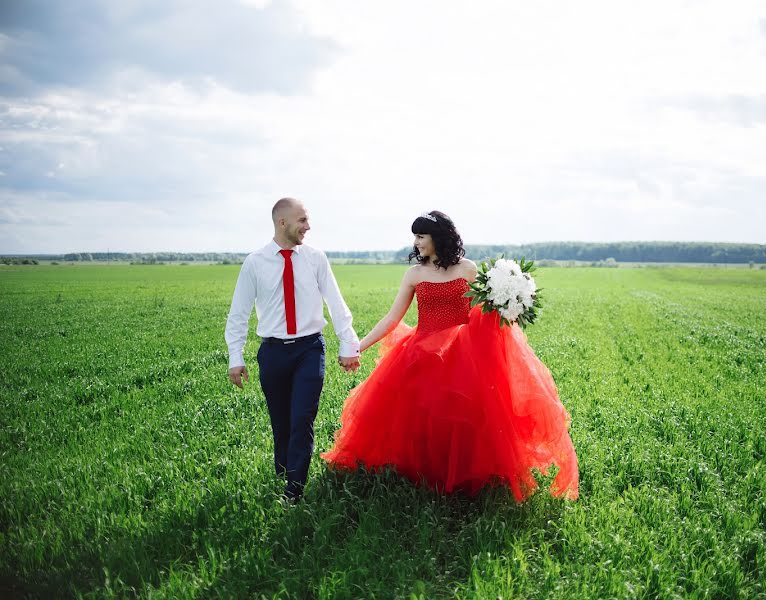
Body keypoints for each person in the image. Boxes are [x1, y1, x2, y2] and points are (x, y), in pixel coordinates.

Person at [321, 211, 578, 501]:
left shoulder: (468, 269)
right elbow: (393, 318)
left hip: (463, 351)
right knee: (422, 415)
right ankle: (424, 475)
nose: (416, 242)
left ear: (438, 237)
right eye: (415, 236)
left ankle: (467, 476)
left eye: (421, 236)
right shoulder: (415, 274)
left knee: (466, 416)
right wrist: (358, 346)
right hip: (422, 351)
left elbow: (488, 307)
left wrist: (511, 302)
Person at [226, 197, 361, 502]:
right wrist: (236, 357)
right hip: (272, 353)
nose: (308, 226)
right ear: (282, 222)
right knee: (281, 421)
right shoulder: (255, 263)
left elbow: (336, 304)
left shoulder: (315, 258)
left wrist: (348, 343)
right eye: (302, 220)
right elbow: (238, 314)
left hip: (309, 349)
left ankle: (294, 492)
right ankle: (283, 473)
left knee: (302, 418)